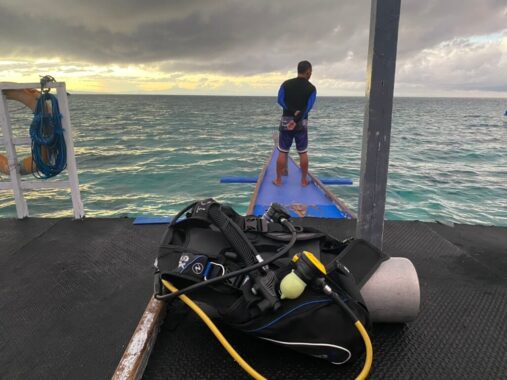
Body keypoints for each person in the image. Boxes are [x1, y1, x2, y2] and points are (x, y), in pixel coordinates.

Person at [273, 60, 316, 187]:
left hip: (286, 120)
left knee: (283, 151)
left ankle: (278, 180)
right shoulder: (311, 88)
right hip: (301, 122)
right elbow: (308, 107)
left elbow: (280, 100)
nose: (311, 74)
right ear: (308, 71)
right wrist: (297, 118)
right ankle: (303, 180)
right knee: (303, 152)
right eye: (311, 72)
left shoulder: (286, 84)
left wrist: (292, 111)